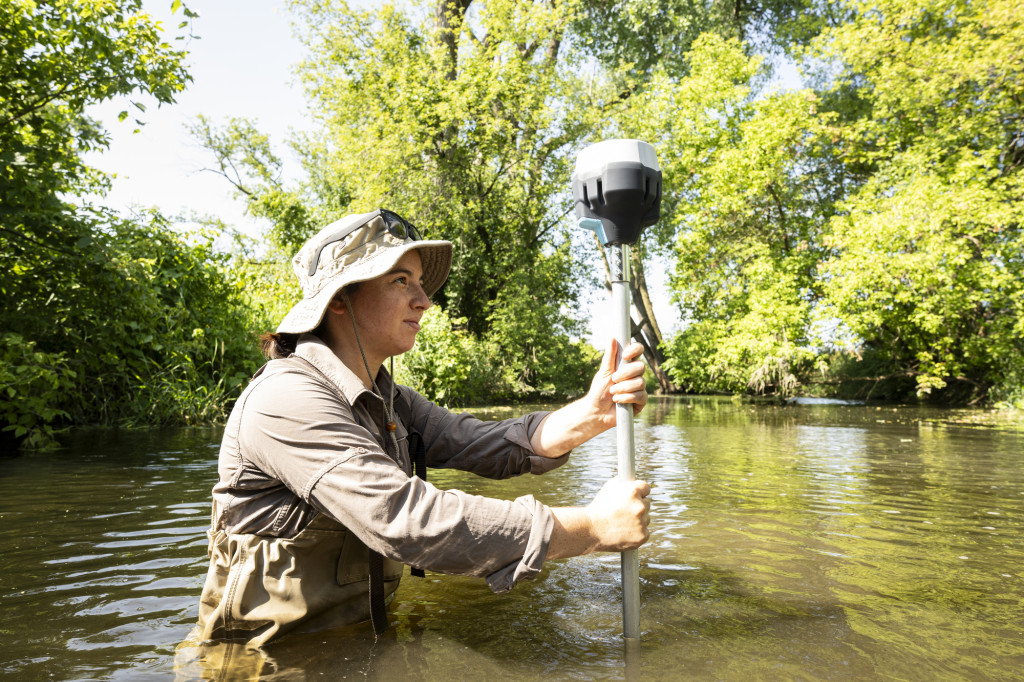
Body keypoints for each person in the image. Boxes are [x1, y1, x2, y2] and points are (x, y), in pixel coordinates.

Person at [191, 208, 651, 647]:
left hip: (355, 649)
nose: (424, 301)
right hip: (266, 664)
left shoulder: (392, 401)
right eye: (400, 281)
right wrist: (592, 528)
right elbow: (405, 520)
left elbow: (481, 443)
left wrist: (592, 414)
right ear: (338, 299)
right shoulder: (286, 400)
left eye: (420, 283)